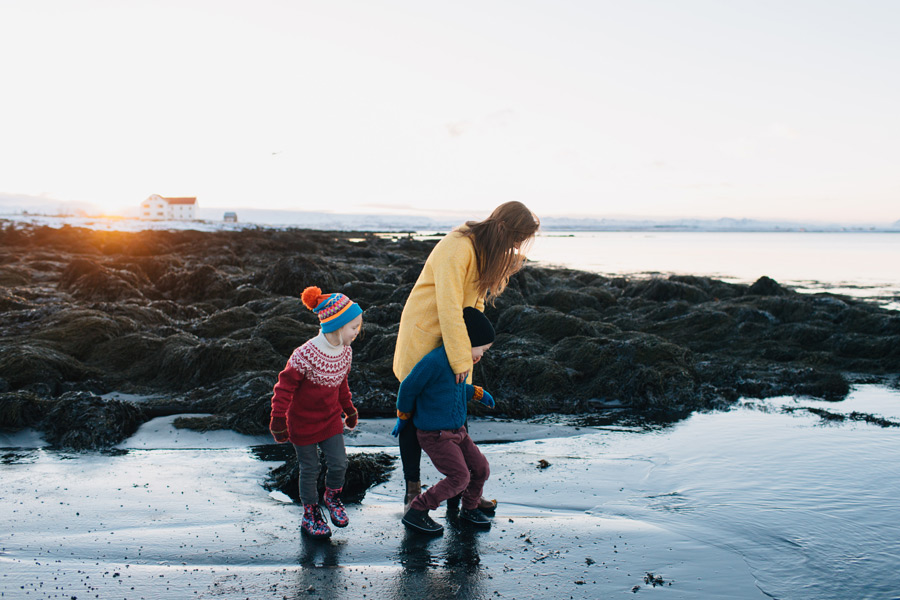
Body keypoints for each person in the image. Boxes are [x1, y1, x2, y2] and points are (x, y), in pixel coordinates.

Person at [392, 201, 540, 511]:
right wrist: (461, 359)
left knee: (457, 408)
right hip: (426, 333)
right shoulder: (458, 247)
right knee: (413, 417)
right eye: (515, 239)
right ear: (503, 229)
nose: (515, 247)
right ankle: (412, 490)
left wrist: (475, 345)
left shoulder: (485, 251)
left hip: (456, 336)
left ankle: (463, 491)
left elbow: (474, 305)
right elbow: (448, 307)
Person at [269, 285, 363, 539]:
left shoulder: (345, 352)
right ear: (337, 325)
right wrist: (278, 419)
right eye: (354, 327)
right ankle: (310, 511)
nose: (357, 332)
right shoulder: (304, 355)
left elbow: (341, 383)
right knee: (310, 469)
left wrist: (349, 409)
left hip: (330, 419)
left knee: (339, 463)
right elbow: (284, 387)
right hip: (302, 423)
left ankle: (331, 497)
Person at [393, 307, 497, 535]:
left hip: (458, 431)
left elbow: (454, 390)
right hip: (435, 435)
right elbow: (408, 387)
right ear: (467, 340)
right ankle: (418, 510)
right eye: (481, 349)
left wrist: (478, 393)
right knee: (460, 477)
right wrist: (403, 415)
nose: (480, 356)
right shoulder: (435, 361)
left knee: (481, 468)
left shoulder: (461, 363)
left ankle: (469, 508)